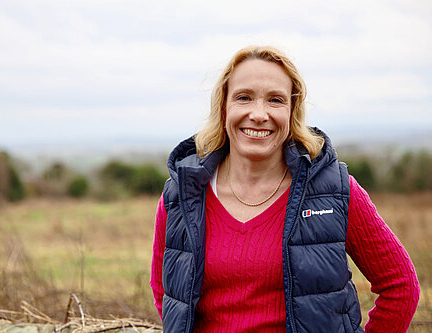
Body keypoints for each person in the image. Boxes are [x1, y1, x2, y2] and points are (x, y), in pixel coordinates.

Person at [150, 46, 420, 333]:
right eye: (244, 98)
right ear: (223, 107)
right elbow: (166, 294)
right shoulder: (182, 196)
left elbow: (401, 286)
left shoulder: (336, 192)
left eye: (275, 100)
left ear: (293, 112)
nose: (258, 114)